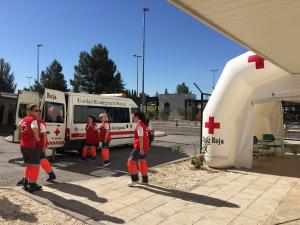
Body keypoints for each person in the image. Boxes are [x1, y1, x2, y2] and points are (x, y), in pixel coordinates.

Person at [17, 115, 56, 186]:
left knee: (33, 163)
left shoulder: (39, 122)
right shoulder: (34, 121)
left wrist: (43, 146)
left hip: (37, 145)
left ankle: (27, 180)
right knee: (40, 160)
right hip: (36, 145)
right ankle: (51, 174)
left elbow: (44, 135)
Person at [18, 104, 42, 193]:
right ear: (30, 111)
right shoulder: (33, 120)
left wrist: (21, 136)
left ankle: (26, 181)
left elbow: (18, 126)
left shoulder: (24, 119)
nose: (38, 112)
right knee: (35, 166)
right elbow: (35, 130)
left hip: (23, 146)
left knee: (29, 165)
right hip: (32, 147)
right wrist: (38, 139)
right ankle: (32, 185)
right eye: (36, 110)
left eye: (39, 110)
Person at [127, 111, 150, 186]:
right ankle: (145, 180)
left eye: (133, 117)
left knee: (131, 162)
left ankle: (135, 180)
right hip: (144, 147)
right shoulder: (143, 124)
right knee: (142, 163)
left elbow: (140, 137)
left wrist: (141, 149)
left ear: (137, 117)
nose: (132, 118)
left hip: (139, 147)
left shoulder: (139, 125)